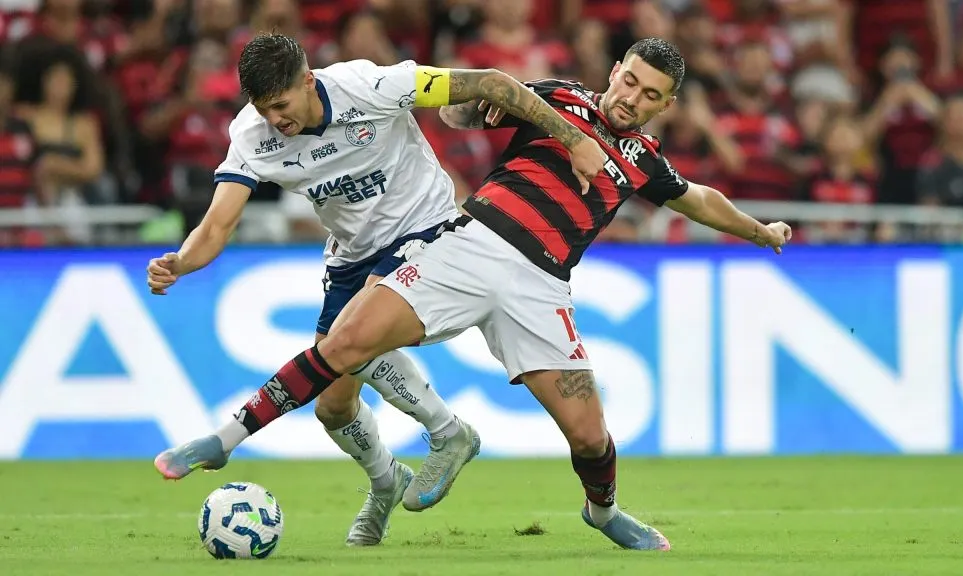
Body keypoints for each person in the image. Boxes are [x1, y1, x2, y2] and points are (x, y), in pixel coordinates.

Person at [158, 37, 790, 551]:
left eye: (651, 94)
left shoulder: (645, 161)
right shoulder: (558, 99)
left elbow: (698, 199)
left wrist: (758, 230)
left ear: (666, 103)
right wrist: (484, 113)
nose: (632, 97)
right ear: (615, 70)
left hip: (541, 289)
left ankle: (603, 511)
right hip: (465, 246)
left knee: (591, 438)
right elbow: (466, 105)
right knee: (344, 344)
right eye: (629, 81)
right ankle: (225, 439)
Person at [149, 33, 607, 546]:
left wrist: (574, 138)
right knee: (333, 407)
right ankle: (386, 481)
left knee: (350, 338)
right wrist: (182, 262)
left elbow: (491, 83)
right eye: (262, 108)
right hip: (351, 252)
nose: (275, 118)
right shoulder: (253, 135)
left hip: (427, 228)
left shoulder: (371, 86)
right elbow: (217, 225)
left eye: (281, 105)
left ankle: (447, 431)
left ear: (308, 81)